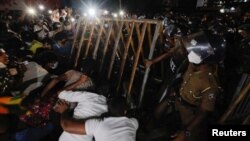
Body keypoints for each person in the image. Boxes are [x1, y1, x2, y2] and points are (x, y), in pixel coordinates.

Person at [155, 31, 226, 141]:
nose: (191, 52)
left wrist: (186, 131)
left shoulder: (210, 84)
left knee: (188, 136)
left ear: (207, 57)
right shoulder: (194, 64)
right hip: (177, 98)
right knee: (156, 114)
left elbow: (203, 112)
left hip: (190, 109)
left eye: (196, 51)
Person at [54, 96, 138, 141]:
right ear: (125, 111)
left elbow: (66, 125)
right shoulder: (133, 123)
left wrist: (64, 111)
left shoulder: (98, 124)